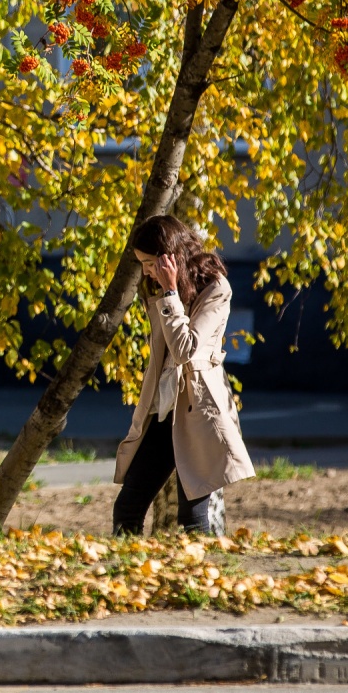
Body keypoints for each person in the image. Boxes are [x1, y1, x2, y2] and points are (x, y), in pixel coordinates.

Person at [111, 215, 256, 537]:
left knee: (192, 513)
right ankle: (124, 572)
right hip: (164, 409)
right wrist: (167, 292)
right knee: (128, 506)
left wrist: (170, 292)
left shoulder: (216, 288)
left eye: (150, 263)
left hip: (197, 411)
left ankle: (197, 578)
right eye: (143, 264)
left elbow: (185, 350)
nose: (147, 271)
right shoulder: (159, 290)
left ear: (169, 257)